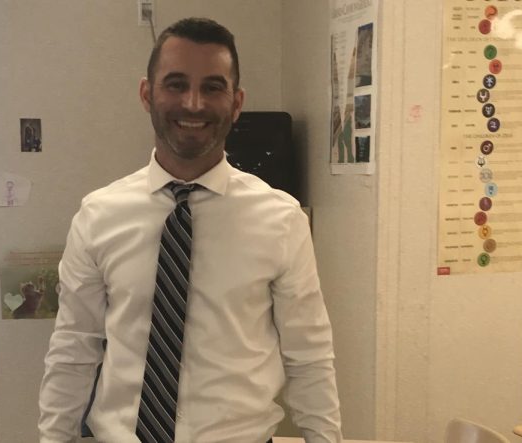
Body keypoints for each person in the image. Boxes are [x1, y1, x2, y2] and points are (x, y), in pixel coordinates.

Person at [38, 17, 342, 442]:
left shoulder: (282, 220)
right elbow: (73, 351)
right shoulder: (98, 217)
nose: (194, 103)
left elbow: (308, 357)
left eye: (213, 87)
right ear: (148, 93)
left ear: (236, 103)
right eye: (176, 84)